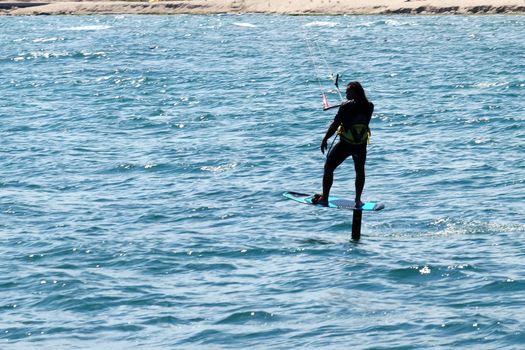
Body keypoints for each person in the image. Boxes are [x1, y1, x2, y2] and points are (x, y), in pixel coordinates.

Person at [312, 81, 374, 208]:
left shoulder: (346, 106)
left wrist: (325, 139)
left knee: (329, 166)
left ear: (355, 93)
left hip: (346, 144)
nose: (346, 93)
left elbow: (335, 125)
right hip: (361, 145)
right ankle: (357, 200)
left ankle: (325, 198)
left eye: (348, 92)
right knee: (360, 171)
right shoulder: (369, 106)